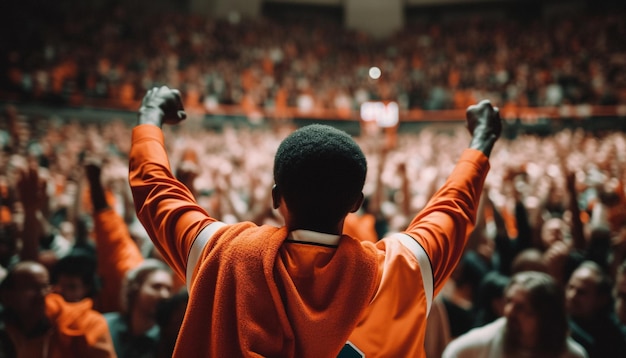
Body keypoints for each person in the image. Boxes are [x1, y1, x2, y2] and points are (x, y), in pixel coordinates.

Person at [128, 86, 501, 357]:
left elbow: (155, 193)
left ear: (276, 197)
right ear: (356, 203)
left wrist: (149, 119)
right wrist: (481, 141)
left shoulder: (223, 256)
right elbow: (454, 206)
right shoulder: (406, 266)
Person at [442, 271, 588, 358]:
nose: (509, 312)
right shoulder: (477, 347)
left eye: (521, 307)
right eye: (509, 302)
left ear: (545, 317)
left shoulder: (572, 355)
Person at [0, 261, 116, 357]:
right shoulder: (6, 327)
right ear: (7, 296)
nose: (42, 295)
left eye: (45, 287)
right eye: (31, 288)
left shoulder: (85, 323)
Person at [103, 259, 174, 358]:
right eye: (156, 287)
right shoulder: (105, 325)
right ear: (135, 288)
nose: (165, 295)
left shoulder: (166, 341)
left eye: (169, 289)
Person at [566, 260, 626, 358]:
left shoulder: (613, 337)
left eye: (581, 292)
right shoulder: (558, 320)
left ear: (602, 299)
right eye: (570, 287)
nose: (571, 296)